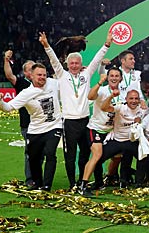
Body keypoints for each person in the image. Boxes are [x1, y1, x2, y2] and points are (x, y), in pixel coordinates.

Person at [40, 30, 112, 189]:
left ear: (80, 64)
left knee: (85, 154)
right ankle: (72, 183)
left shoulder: (86, 74)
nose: (74, 65)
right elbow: (53, 60)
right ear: (68, 64)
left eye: (77, 63)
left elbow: (96, 60)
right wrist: (46, 45)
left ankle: (81, 181)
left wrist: (107, 44)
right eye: (71, 63)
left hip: (85, 121)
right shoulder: (62, 75)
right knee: (70, 155)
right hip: (69, 122)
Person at [0, 63, 62, 191]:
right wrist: (0, 101)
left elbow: (67, 80)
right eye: (39, 75)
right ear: (31, 76)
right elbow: (8, 107)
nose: (42, 77)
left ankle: (47, 185)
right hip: (35, 129)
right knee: (33, 158)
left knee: (50, 153)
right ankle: (37, 183)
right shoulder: (26, 93)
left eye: (44, 75)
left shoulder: (53, 83)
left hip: (54, 126)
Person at [80, 68, 121, 194]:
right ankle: (83, 185)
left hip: (111, 132)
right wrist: (99, 82)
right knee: (97, 154)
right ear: (108, 78)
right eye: (111, 76)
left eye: (116, 76)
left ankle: (107, 178)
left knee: (119, 155)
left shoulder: (123, 93)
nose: (114, 78)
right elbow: (90, 96)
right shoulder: (102, 90)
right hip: (96, 129)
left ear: (120, 78)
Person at [98, 89, 146, 187]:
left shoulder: (142, 109)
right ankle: (99, 182)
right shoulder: (120, 107)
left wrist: (140, 120)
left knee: (143, 156)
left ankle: (138, 182)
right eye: (131, 98)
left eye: (136, 99)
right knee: (98, 158)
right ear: (126, 99)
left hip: (131, 141)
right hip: (117, 140)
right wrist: (111, 96)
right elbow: (103, 108)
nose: (134, 101)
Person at [3, 50, 35, 186]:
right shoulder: (22, 83)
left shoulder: (44, 82)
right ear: (26, 73)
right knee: (30, 152)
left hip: (44, 124)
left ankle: (38, 178)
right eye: (31, 69)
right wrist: (6, 60)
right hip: (27, 124)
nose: (35, 71)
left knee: (43, 153)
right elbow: (9, 76)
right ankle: (30, 179)